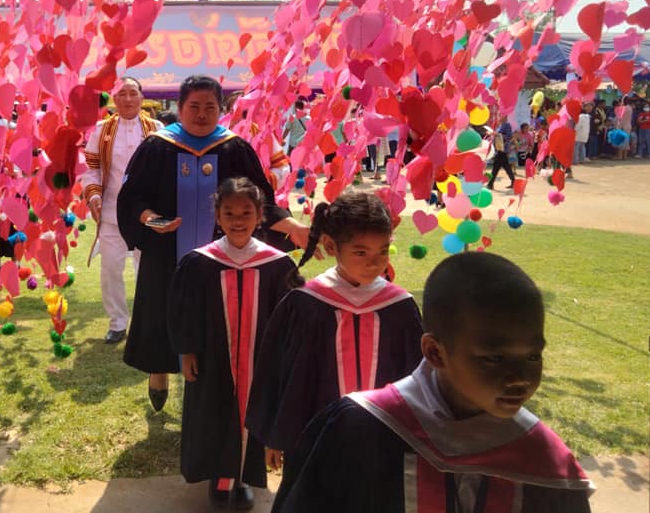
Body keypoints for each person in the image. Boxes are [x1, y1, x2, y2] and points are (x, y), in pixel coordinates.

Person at [272, 251, 594, 512]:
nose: (519, 378)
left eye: (533, 357)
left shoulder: (544, 460)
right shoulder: (359, 429)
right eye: (494, 358)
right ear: (435, 353)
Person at [117, 75, 311, 411]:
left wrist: (292, 226)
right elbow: (131, 197)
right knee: (161, 307)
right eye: (194, 106)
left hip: (221, 255)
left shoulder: (234, 148)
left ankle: (209, 380)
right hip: (165, 250)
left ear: (221, 110)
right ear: (180, 108)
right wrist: (151, 220)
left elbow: (260, 200)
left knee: (214, 315)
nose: (202, 114)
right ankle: (158, 370)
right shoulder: (157, 147)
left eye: (210, 107)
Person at [246, 189, 422, 472]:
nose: (374, 263)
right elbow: (280, 374)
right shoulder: (306, 305)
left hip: (383, 444)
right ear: (330, 245)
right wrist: (276, 437)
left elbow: (417, 380)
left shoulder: (399, 308)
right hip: (315, 442)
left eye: (382, 251)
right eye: (360, 252)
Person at [167, 177, 302, 510]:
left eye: (246, 212)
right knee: (215, 412)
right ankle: (221, 476)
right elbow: (184, 311)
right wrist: (187, 351)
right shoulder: (199, 262)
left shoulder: (277, 264)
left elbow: (294, 317)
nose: (238, 220)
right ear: (217, 216)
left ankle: (243, 477)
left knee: (254, 410)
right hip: (213, 359)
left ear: (260, 215)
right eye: (229, 212)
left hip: (260, 360)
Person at [81, 77, 161, 344]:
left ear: (142, 97)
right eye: (122, 94)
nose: (128, 99)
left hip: (147, 214)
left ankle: (146, 321)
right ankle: (117, 323)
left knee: (148, 269)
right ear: (114, 99)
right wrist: (93, 195)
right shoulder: (101, 130)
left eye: (133, 93)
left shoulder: (157, 129)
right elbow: (91, 168)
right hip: (111, 212)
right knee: (111, 269)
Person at [486, 120, 515, 190]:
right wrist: (493, 134)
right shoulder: (500, 125)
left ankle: (490, 184)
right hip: (499, 148)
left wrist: (494, 134)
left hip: (503, 149)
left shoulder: (507, 125)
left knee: (496, 166)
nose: (499, 116)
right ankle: (513, 181)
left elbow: (509, 136)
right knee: (506, 166)